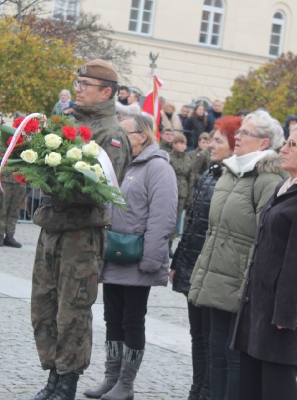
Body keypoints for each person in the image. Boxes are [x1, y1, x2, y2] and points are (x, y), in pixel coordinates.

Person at [28, 59, 131, 400]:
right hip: (52, 228)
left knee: (72, 310)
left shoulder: (111, 135)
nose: (78, 88)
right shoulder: (66, 122)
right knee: (44, 306)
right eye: (78, 82)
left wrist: (55, 180)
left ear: (106, 92)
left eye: (86, 84)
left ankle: (67, 383)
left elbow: (100, 189)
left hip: (81, 235)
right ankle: (52, 377)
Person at [232, 123, 297, 400]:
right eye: (287, 142)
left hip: (281, 310)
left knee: (276, 387)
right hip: (258, 302)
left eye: (293, 144)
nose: (284, 148)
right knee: (249, 386)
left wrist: (286, 314)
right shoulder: (284, 185)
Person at [188, 110, 286, 400]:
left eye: (246, 133)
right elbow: (214, 230)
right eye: (239, 131)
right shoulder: (232, 171)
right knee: (216, 353)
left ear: (264, 142)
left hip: (242, 283)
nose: (238, 137)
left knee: (235, 360)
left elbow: (267, 238)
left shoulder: (268, 178)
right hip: (218, 277)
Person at [83, 113, 177, 400]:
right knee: (112, 319)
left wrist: (151, 260)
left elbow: (163, 217)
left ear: (142, 135)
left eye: (125, 133)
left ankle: (126, 383)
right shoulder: (121, 164)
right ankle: (111, 377)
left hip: (137, 259)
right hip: (114, 254)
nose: (119, 138)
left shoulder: (158, 168)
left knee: (132, 321)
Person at [170, 116, 241, 400]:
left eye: (218, 140)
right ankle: (197, 388)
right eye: (211, 139)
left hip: (213, 271)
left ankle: (209, 390)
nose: (211, 144)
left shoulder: (232, 179)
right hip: (193, 267)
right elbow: (192, 225)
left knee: (213, 339)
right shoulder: (210, 174)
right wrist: (177, 261)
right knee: (197, 336)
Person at [0, 111, 27, 248]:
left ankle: (10, 235)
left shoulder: (29, 139)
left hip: (20, 179)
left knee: (14, 209)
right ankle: (0, 235)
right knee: (3, 207)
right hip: (7, 178)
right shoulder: (7, 136)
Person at [169, 134, 195, 256]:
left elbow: (191, 178)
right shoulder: (169, 157)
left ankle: (169, 244)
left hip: (182, 192)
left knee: (176, 218)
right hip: (169, 188)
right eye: (180, 143)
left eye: (184, 143)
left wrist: (190, 195)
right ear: (174, 144)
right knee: (168, 217)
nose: (183, 146)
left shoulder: (188, 159)